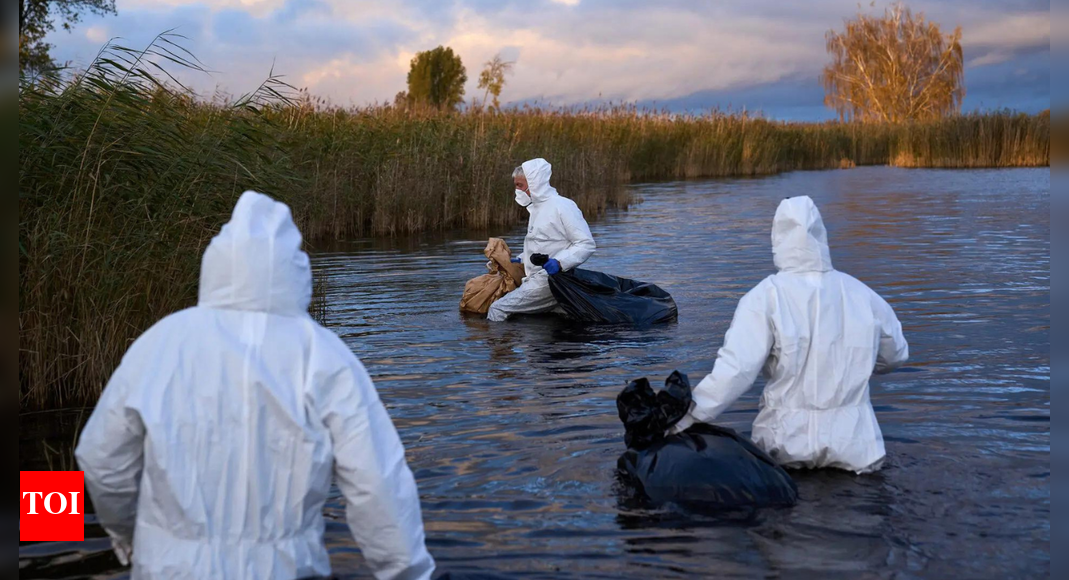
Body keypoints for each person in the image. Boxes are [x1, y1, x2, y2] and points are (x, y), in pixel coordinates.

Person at [75, 191, 435, 580]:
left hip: (168, 568)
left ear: (217, 263)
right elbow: (376, 481)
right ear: (294, 268)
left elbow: (99, 458)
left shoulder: (160, 344)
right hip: (285, 568)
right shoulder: (324, 354)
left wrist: (128, 534)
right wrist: (408, 573)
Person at [671, 196, 908, 474]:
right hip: (857, 444)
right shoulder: (863, 295)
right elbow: (896, 355)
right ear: (821, 236)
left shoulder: (765, 297)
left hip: (786, 443)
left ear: (778, 239)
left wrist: (682, 419)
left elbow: (736, 371)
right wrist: (858, 363)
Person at [487, 158, 596, 322]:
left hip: (550, 279)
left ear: (535, 183)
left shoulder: (563, 206)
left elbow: (586, 244)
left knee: (497, 309)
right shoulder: (536, 209)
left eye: (520, 185)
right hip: (538, 278)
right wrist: (519, 259)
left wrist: (559, 262)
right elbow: (542, 244)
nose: (517, 190)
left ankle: (498, 346)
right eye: (516, 185)